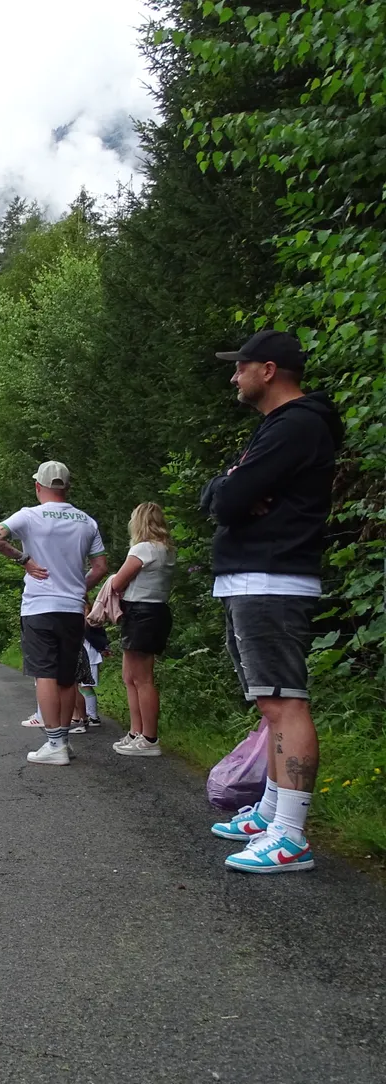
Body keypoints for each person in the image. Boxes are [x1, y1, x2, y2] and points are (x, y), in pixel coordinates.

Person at [201, 330, 342, 874]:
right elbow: (222, 496)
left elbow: (229, 501)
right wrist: (227, 486)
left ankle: (290, 836)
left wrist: (231, 489)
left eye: (239, 368)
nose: (233, 378)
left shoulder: (296, 425)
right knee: (271, 704)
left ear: (269, 369)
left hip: (273, 578)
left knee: (285, 703)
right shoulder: (278, 429)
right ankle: (270, 813)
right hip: (255, 579)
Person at [0, 461, 108, 766]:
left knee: (45, 673)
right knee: (68, 677)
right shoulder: (87, 522)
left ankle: (53, 743)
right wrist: (79, 586)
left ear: (38, 487)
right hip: (71, 609)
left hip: (39, 606)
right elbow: (101, 568)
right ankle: (63, 741)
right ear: (66, 488)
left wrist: (24, 559)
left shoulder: (29, 515)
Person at [103, 502, 175, 757]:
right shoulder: (166, 550)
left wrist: (111, 581)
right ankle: (136, 732)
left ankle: (149, 738)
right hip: (155, 612)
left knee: (142, 678)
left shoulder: (143, 549)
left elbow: (119, 580)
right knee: (130, 676)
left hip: (141, 613)